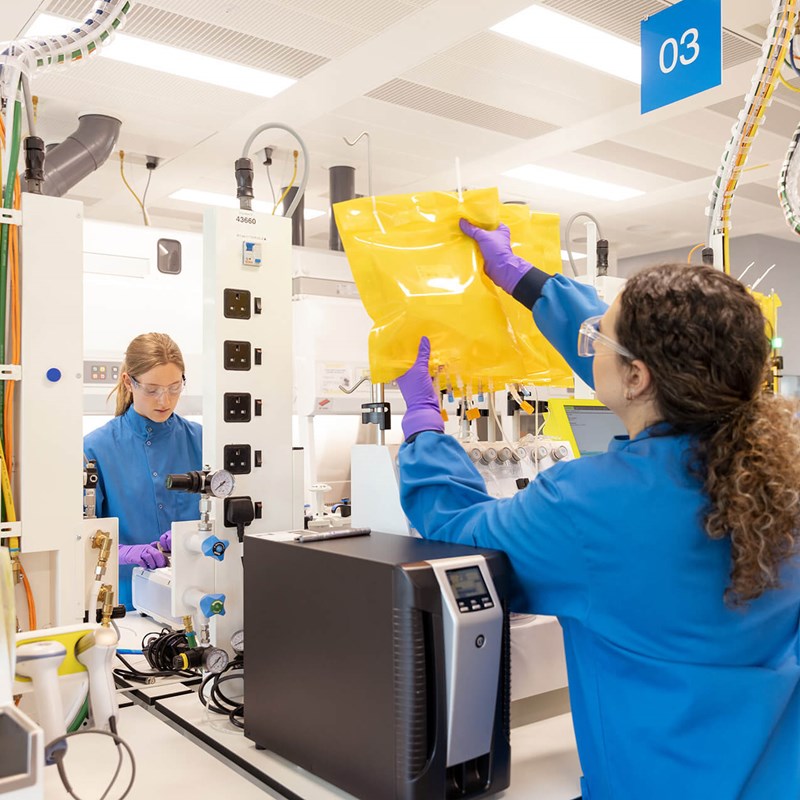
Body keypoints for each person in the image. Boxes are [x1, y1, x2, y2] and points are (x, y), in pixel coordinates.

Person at [395, 221, 800, 800]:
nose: (592, 344)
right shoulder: (781, 473)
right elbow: (652, 372)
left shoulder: (590, 505)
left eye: (600, 340)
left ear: (636, 376)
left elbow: (456, 532)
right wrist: (525, 281)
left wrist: (424, 428)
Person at [84, 333, 202, 609]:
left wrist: (198, 534)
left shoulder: (202, 441)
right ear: (128, 381)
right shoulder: (96, 449)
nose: (165, 400)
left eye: (175, 387)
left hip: (196, 594)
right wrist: (125, 553)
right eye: (152, 389)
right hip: (128, 603)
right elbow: (81, 535)